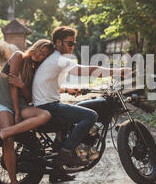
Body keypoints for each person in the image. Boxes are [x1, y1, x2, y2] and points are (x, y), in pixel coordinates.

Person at [23, 26, 132, 167]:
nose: (72, 46)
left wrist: (68, 90)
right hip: (49, 107)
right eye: (69, 43)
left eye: (74, 43)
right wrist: (118, 71)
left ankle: (57, 171)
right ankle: (65, 152)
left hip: (45, 105)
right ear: (58, 42)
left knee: (73, 113)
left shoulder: (53, 59)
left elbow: (49, 83)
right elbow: (89, 70)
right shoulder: (59, 59)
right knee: (91, 116)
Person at [0, 39, 54, 184]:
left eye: (44, 55)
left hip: (23, 105)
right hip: (4, 103)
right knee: (9, 141)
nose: (40, 55)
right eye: (40, 50)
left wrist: (23, 85)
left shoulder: (34, 69)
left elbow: (28, 97)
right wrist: (17, 113)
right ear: (35, 46)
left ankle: (3, 132)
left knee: (45, 115)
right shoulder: (18, 56)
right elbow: (12, 87)